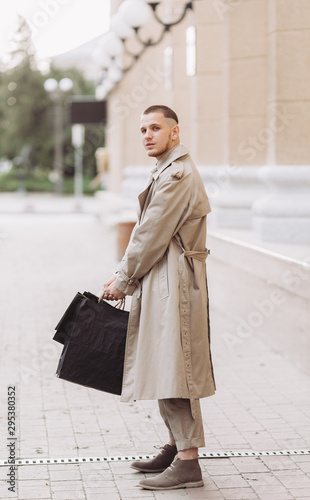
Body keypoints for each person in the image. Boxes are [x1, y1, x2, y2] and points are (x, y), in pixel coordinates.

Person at [103, 105, 215, 490]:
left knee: (174, 369)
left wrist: (122, 279)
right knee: (166, 366)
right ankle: (175, 446)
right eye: (142, 129)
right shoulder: (168, 170)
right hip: (165, 280)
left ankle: (188, 463)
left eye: (156, 128)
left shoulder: (177, 174)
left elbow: (150, 233)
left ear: (175, 132)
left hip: (175, 284)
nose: (147, 135)